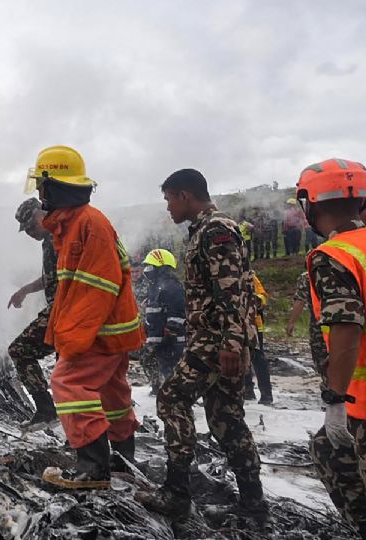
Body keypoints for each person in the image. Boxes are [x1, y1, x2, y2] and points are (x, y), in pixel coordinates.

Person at [135, 168, 267, 525]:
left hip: (216, 339)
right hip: (218, 338)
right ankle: (254, 503)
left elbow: (231, 290)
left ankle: (176, 492)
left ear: (185, 196)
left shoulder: (215, 230)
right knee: (226, 419)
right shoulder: (207, 229)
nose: (167, 208)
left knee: (171, 398)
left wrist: (230, 343)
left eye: (168, 199)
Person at [22, 146, 143, 490]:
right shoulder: (76, 222)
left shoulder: (87, 224)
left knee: (69, 384)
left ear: (55, 186)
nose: (39, 193)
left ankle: (93, 470)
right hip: (110, 331)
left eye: (42, 185)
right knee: (110, 395)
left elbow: (97, 287)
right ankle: (121, 462)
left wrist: (73, 341)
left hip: (99, 332)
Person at [296, 158, 366, 537]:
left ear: (312, 205)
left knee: (330, 450)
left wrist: (335, 399)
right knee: (326, 450)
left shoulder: (334, 256)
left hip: (361, 401)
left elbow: (345, 326)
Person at [7, 197, 59, 430]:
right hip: (62, 310)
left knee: (19, 350)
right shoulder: (48, 240)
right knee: (66, 374)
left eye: (29, 227)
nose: (28, 233)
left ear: (40, 216)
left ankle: (46, 410)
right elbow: (49, 277)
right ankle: (78, 437)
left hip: (65, 310)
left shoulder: (59, 237)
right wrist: (25, 290)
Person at [139, 249, 186, 397]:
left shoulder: (171, 287)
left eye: (150, 267)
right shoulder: (156, 287)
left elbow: (177, 312)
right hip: (157, 338)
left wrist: (170, 332)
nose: (147, 271)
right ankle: (159, 389)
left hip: (170, 341)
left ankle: (176, 397)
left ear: (161, 267)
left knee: (171, 369)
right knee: (153, 363)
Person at [244, 274, 273, 405]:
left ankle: (266, 395)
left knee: (257, 357)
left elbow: (262, 296)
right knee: (241, 357)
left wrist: (255, 301)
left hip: (254, 324)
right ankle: (247, 392)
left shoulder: (250, 275)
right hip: (234, 324)